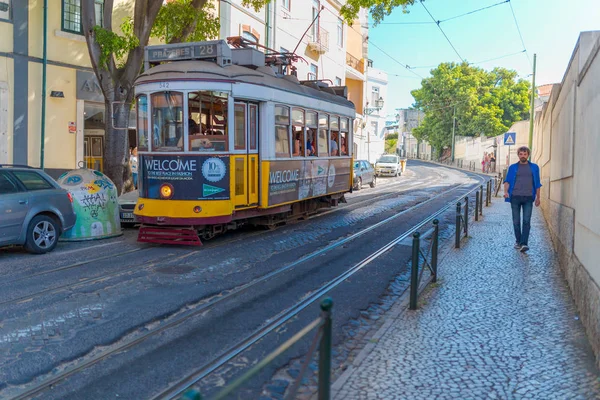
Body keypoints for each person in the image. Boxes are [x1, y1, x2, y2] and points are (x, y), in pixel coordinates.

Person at [503, 146, 542, 252]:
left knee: (526, 221)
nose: (523, 156)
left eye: (525, 154)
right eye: (521, 154)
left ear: (528, 155)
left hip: (528, 198)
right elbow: (507, 181)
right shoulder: (513, 167)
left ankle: (524, 243)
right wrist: (505, 192)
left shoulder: (534, 167)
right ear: (518, 155)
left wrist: (538, 198)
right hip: (515, 197)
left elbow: (537, 184)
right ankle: (518, 241)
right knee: (516, 221)